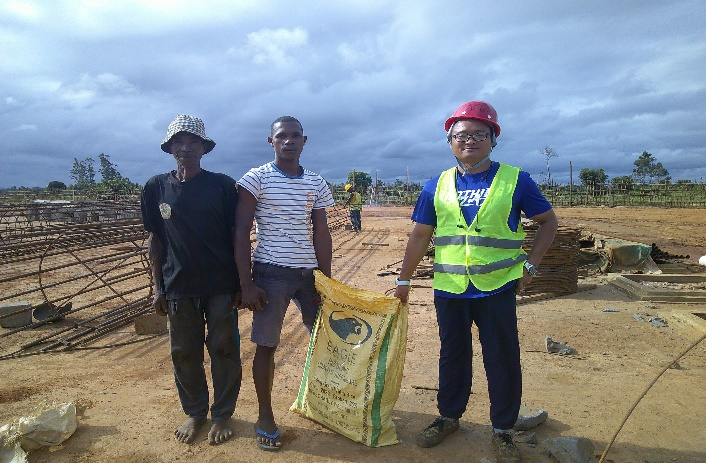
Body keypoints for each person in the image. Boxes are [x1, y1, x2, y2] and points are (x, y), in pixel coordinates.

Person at [393, 101, 558, 463]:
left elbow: (549, 222)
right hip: (450, 288)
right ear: (450, 141)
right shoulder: (436, 185)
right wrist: (403, 279)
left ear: (493, 139)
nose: (469, 140)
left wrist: (531, 267)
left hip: (497, 285)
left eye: (479, 134)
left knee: (501, 356)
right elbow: (420, 235)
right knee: (452, 354)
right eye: (461, 135)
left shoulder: (515, 180)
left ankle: (503, 429)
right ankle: (448, 417)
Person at [141, 115, 242, 445]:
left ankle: (222, 414)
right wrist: (158, 288)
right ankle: (196, 412)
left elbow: (237, 236)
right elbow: (155, 240)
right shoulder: (156, 187)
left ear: (204, 148)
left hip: (220, 285)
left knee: (224, 350)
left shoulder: (222, 186)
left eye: (193, 142)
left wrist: (242, 283)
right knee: (184, 353)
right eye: (178, 142)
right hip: (178, 285)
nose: (185, 148)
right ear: (170, 148)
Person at [234, 116, 334, 451]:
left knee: (325, 340)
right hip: (271, 273)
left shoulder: (316, 182)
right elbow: (241, 231)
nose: (288, 141)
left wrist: (325, 280)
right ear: (271, 142)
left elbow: (321, 232)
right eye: (281, 136)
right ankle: (265, 416)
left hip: (309, 275)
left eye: (295, 136)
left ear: (304, 141)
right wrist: (246, 283)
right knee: (266, 345)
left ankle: (326, 402)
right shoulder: (256, 179)